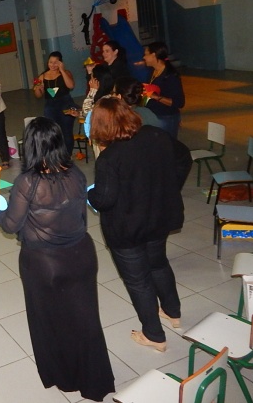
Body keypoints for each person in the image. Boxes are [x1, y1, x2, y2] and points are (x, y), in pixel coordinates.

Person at [0, 117, 114, 402]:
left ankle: (64, 376)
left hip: (44, 264)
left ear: (30, 146)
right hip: (82, 255)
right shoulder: (76, 173)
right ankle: (95, 381)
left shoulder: (27, 182)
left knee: (50, 320)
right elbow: (80, 216)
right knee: (85, 319)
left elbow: (11, 224)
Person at [88, 97, 191, 352]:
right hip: (159, 218)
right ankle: (172, 311)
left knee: (138, 281)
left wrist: (89, 194)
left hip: (127, 229)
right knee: (158, 264)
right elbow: (184, 158)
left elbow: (104, 200)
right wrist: (169, 187)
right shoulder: (156, 135)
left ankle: (154, 335)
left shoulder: (110, 158)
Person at [33, 51, 76, 155]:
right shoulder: (42, 76)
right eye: (50, 62)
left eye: (56, 62)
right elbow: (38, 95)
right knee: (52, 132)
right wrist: (38, 89)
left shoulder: (66, 73)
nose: (52, 65)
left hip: (66, 103)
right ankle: (56, 155)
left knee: (67, 131)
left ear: (60, 63)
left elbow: (71, 86)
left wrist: (62, 70)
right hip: (50, 106)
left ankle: (68, 155)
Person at [143, 41, 185, 138]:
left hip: (166, 117)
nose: (144, 57)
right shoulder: (152, 72)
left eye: (146, 54)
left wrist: (156, 97)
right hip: (153, 115)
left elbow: (179, 102)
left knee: (167, 144)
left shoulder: (170, 76)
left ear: (154, 55)